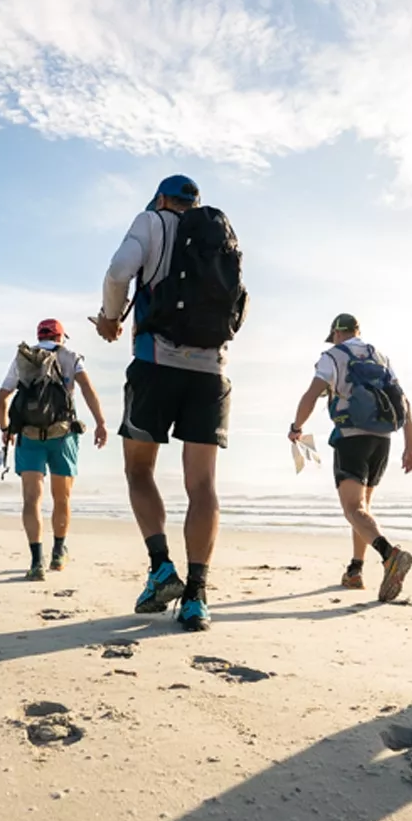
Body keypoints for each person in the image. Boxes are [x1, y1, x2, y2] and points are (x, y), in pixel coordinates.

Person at [90, 174, 246, 632]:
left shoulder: (152, 222)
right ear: (195, 203)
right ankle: (197, 596)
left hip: (155, 364)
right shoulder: (222, 235)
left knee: (139, 470)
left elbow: (119, 272)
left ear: (162, 198)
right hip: (211, 372)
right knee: (202, 485)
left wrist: (111, 319)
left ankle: (161, 568)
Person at [287, 313, 412, 601]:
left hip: (351, 438)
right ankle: (355, 571)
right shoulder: (379, 356)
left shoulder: (331, 356)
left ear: (336, 333)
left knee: (352, 509)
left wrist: (297, 428)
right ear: (358, 331)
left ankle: (389, 555)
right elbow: (404, 401)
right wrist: (410, 446)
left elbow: (312, 395)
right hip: (382, 440)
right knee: (362, 509)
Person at [0, 318, 107, 581]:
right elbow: (88, 389)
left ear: (39, 335)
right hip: (62, 436)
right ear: (61, 337)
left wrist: (5, 429)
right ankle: (58, 553)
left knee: (32, 499)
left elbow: (1, 399)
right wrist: (101, 423)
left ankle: (36, 562)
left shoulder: (24, 358)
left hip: (29, 437)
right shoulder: (71, 356)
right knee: (62, 498)